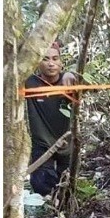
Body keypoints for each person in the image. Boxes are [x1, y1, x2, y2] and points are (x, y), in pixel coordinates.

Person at [25, 42, 77, 196]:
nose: (51, 64)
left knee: (67, 186)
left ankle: (62, 210)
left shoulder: (68, 82)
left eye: (55, 59)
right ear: (38, 62)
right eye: (46, 59)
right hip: (42, 144)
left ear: (61, 62)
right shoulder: (30, 83)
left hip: (67, 143)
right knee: (40, 184)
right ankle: (50, 211)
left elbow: (88, 85)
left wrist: (72, 74)